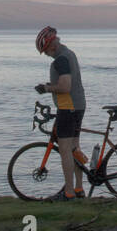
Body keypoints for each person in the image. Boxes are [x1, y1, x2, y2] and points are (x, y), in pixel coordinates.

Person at [33, 26, 86, 201]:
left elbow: (65, 86)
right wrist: (52, 85)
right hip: (78, 106)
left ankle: (68, 192)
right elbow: (67, 82)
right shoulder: (70, 54)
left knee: (65, 151)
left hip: (67, 108)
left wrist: (47, 88)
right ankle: (79, 189)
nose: (47, 55)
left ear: (52, 46)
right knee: (74, 148)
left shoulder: (60, 60)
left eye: (46, 51)